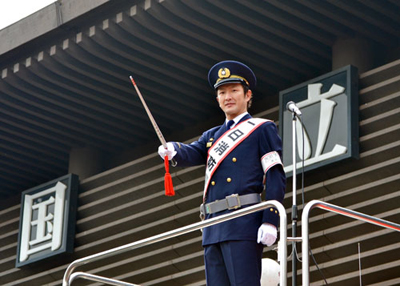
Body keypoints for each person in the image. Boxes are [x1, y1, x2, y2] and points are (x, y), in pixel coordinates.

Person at [158, 60, 286, 286]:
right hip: (212, 226)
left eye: (234, 90)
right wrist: (173, 149)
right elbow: (192, 152)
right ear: (217, 99)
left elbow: (275, 175)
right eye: (222, 92)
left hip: (242, 221)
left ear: (247, 95)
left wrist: (271, 220)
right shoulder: (211, 136)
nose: (228, 97)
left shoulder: (262, 128)